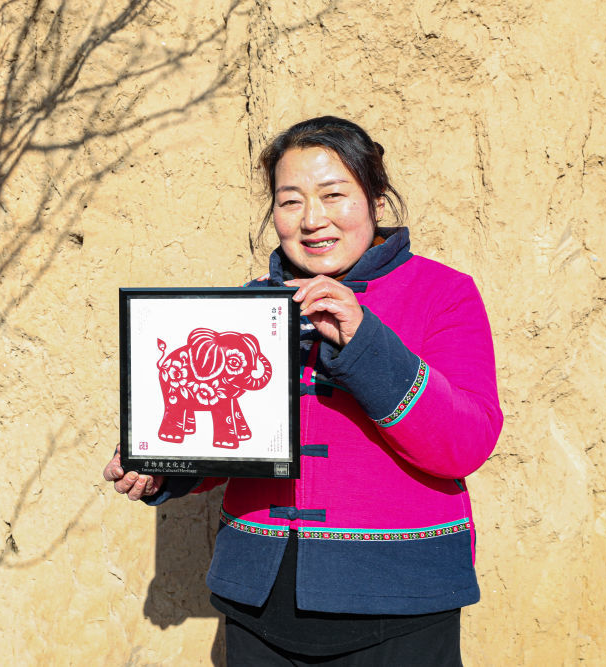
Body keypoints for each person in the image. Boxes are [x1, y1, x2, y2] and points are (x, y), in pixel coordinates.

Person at [104, 116, 502, 665]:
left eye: (335, 195)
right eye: (291, 201)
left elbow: (464, 443)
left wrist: (364, 340)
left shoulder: (443, 294)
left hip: (399, 605)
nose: (313, 220)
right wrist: (162, 462)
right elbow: (231, 441)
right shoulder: (248, 309)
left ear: (377, 200)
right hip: (260, 606)